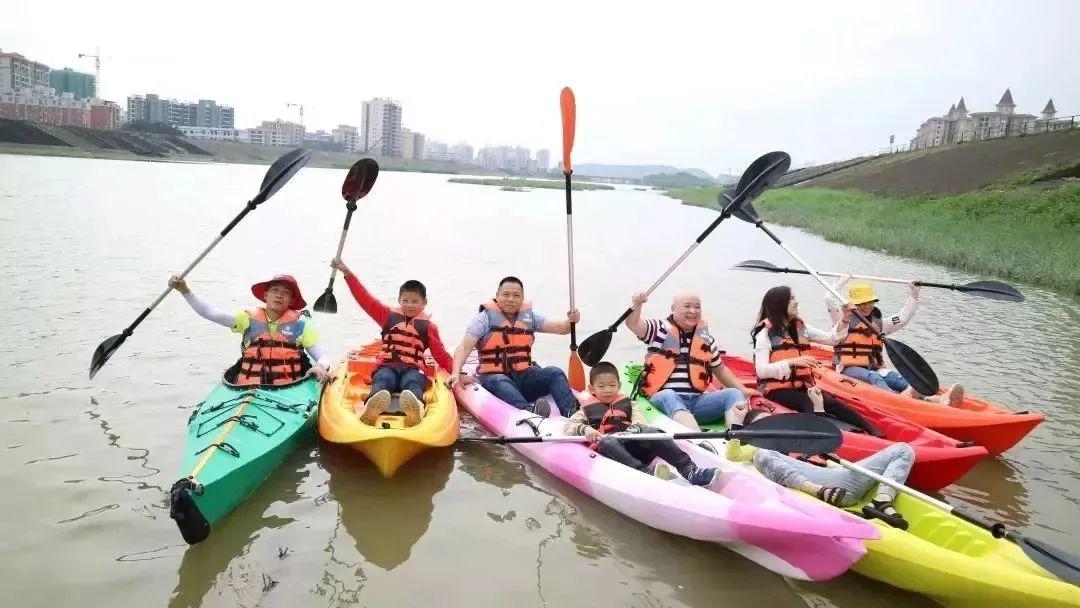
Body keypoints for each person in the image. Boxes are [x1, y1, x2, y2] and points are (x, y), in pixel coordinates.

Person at [726, 400, 914, 529]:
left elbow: (825, 442)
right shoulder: (758, 447)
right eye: (764, 424)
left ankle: (881, 500)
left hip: (840, 478)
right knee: (762, 454)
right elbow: (733, 456)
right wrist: (736, 423)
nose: (772, 425)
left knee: (903, 449)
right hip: (818, 486)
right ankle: (817, 491)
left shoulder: (800, 440)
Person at [331, 258, 453, 427]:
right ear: (399, 299)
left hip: (413, 368)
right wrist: (347, 273)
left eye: (415, 301)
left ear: (424, 302)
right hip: (387, 365)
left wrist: (457, 373)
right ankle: (372, 406)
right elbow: (365, 299)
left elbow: (441, 355)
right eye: (405, 300)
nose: (409, 305)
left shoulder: (429, 328)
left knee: (413, 382)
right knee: (383, 379)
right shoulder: (387, 316)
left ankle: (414, 407)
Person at [752, 285, 883, 436]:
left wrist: (845, 319)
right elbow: (761, 371)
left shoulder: (801, 327)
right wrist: (793, 362)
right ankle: (821, 436)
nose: (796, 302)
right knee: (809, 402)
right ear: (780, 304)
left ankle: (875, 432)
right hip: (777, 391)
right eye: (792, 299)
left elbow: (833, 339)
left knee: (834, 403)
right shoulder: (764, 335)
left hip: (802, 386)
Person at [563, 362, 721, 486]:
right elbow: (568, 427)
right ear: (591, 388)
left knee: (653, 432)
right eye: (601, 386)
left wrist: (636, 428)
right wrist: (586, 430)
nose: (607, 390)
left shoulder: (629, 405)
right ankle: (646, 473)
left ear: (619, 385)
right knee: (608, 441)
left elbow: (641, 421)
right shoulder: (585, 411)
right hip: (610, 450)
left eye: (612, 385)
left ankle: (690, 471)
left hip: (633, 445)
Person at [449, 276, 581, 417]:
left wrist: (572, 320)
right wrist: (456, 373)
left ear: (522, 298)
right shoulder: (483, 319)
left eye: (516, 295)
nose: (511, 299)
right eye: (506, 295)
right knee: (501, 381)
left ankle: (573, 414)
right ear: (497, 296)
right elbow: (464, 348)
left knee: (555, 372)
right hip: (493, 378)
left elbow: (563, 329)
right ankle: (531, 413)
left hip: (524, 377)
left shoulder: (530, 318)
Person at [625, 292, 756, 432]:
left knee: (733, 394)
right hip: (663, 401)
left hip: (697, 402)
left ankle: (735, 436)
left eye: (697, 307)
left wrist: (742, 390)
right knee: (668, 395)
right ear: (673, 309)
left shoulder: (707, 340)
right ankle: (699, 439)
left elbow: (720, 369)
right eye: (687, 306)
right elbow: (633, 323)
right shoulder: (658, 330)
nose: (693, 311)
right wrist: (636, 305)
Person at [168, 274, 330, 386]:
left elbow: (322, 357)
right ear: (265, 295)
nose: (279, 295)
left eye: (285, 292)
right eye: (275, 290)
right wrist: (185, 291)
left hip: (289, 387)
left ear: (292, 300)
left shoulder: (301, 324)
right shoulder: (246, 318)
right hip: (247, 388)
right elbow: (209, 313)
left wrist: (320, 367)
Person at [826, 278, 963, 406]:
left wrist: (914, 295)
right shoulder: (842, 318)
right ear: (853, 304)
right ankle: (899, 401)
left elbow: (902, 318)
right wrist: (843, 280)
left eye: (869, 302)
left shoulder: (880, 324)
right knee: (874, 378)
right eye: (861, 303)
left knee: (897, 378)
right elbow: (828, 298)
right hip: (848, 369)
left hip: (875, 367)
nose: (866, 306)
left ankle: (935, 399)